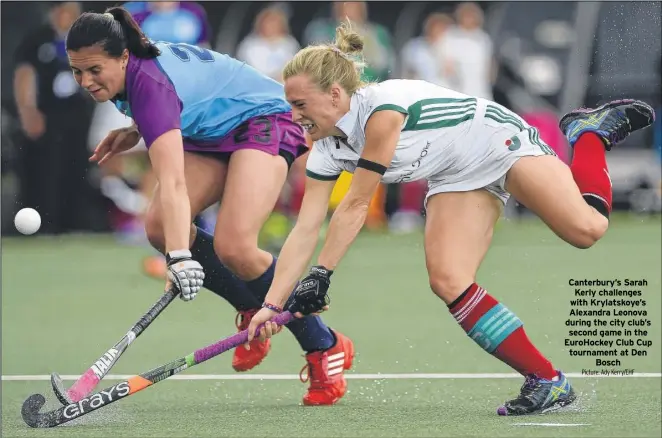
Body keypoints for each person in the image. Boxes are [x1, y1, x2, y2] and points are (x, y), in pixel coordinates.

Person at [247, 22, 656, 415]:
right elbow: (305, 228)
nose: (294, 114)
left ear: (335, 95)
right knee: (448, 279)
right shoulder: (325, 149)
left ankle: (589, 133)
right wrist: (272, 303)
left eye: (300, 104)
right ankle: (545, 380)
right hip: (453, 174)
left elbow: (355, 205)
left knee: (588, 230)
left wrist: (321, 273)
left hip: (495, 142)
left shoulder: (381, 113)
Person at [65, 7, 355, 406]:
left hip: (264, 119)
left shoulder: (147, 84)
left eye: (94, 70)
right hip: (211, 130)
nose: (86, 81)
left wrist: (181, 257)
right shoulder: (130, 73)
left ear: (123, 57)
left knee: (234, 247)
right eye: (78, 72)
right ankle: (252, 306)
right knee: (159, 228)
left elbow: (173, 181)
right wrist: (136, 128)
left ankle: (325, 345)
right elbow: (190, 91)